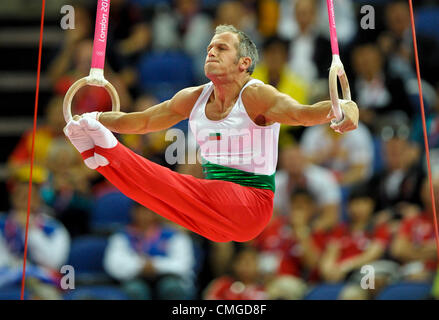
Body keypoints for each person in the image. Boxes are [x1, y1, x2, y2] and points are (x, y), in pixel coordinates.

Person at [63, 24, 359, 243]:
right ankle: (100, 155)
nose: (211, 52)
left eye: (221, 48)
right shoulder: (193, 97)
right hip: (214, 215)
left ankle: (107, 149)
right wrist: (95, 116)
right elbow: (140, 121)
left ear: (244, 63)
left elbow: (302, 114)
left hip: (251, 205)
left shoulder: (256, 95)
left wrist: (344, 107)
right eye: (209, 48)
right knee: (151, 196)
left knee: (170, 185)